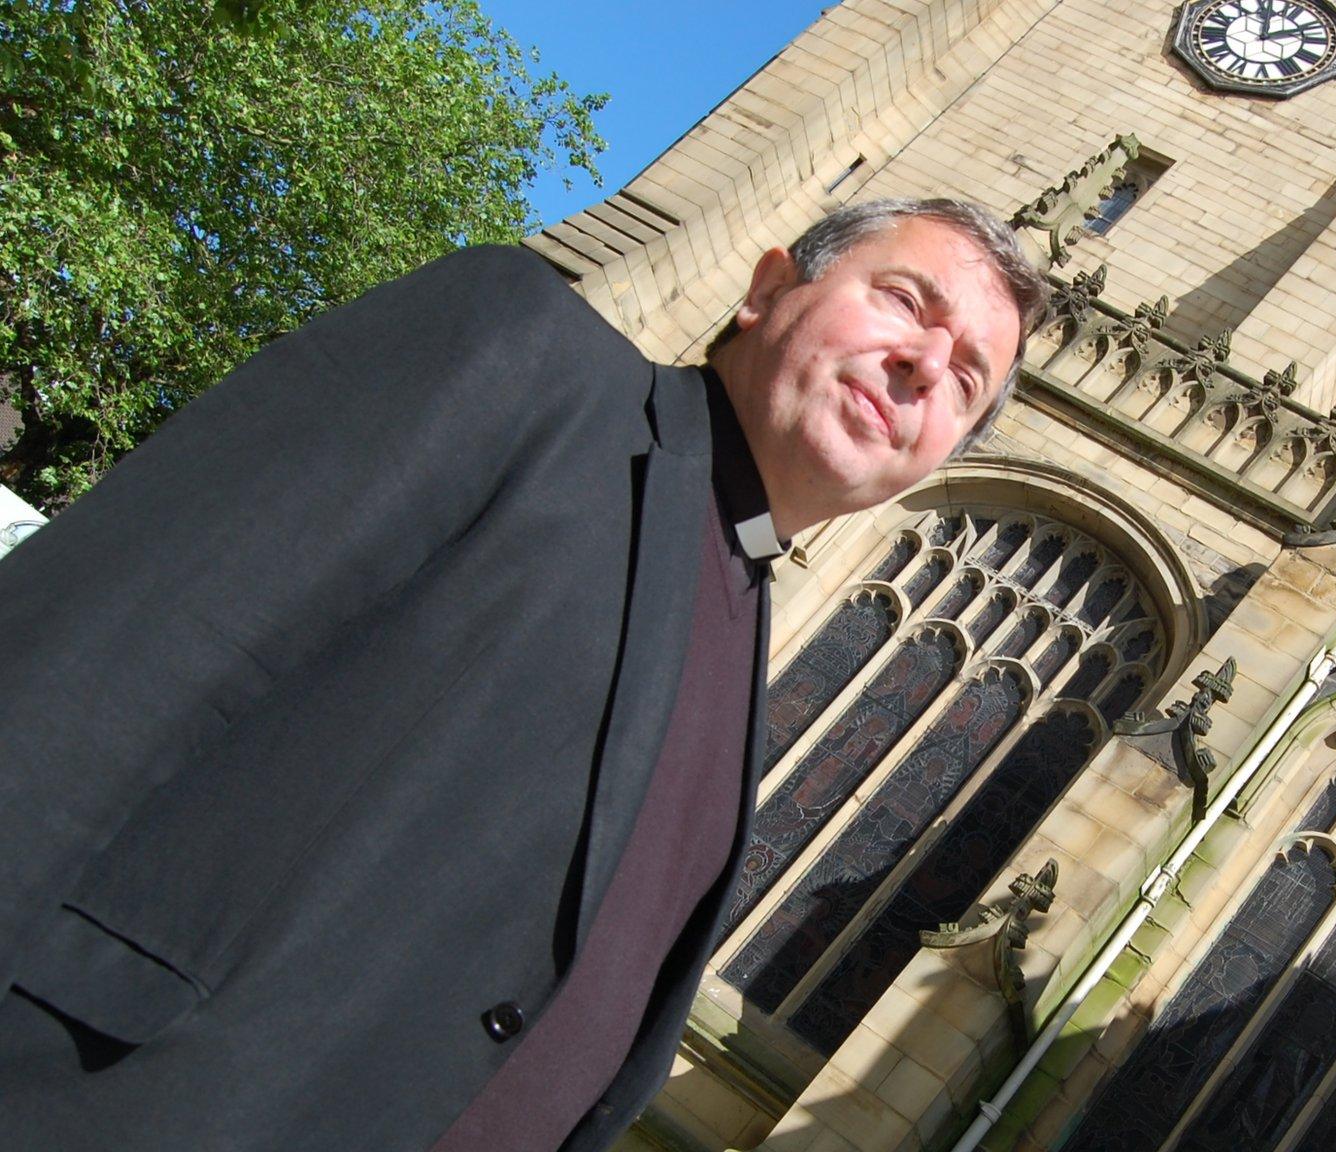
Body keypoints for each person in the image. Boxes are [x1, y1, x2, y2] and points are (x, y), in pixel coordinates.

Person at [0, 197, 1048, 1152]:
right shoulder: (534, 361)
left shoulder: (748, 636)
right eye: (904, 302)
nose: (922, 365)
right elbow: (98, 668)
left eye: (963, 381)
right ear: (768, 289)